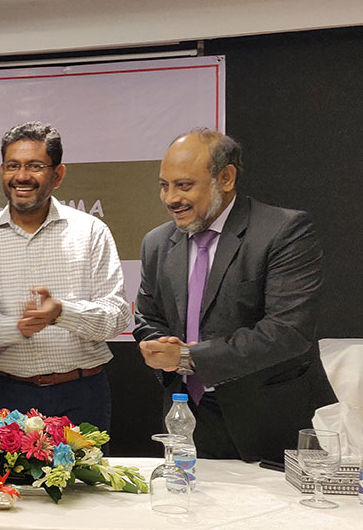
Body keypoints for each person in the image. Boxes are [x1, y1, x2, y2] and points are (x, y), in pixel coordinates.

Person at [134, 129, 336, 462]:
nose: (170, 198)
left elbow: (288, 331)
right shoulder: (156, 243)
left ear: (226, 178)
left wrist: (190, 358)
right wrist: (159, 345)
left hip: (270, 421)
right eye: (164, 185)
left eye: (184, 185)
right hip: (189, 418)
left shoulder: (284, 230)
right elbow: (148, 316)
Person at [0, 121, 129, 430]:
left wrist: (61, 313)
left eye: (35, 166)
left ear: (58, 175)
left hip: (82, 392)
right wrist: (17, 327)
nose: (21, 176)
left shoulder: (91, 232)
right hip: (10, 394)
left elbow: (117, 316)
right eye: (13, 166)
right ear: (2, 171)